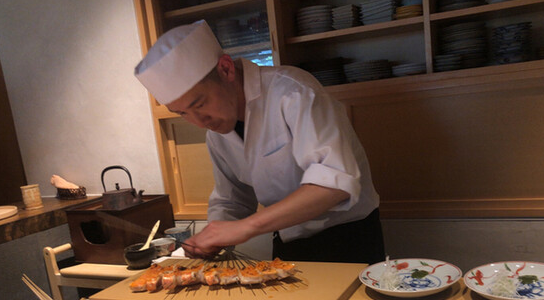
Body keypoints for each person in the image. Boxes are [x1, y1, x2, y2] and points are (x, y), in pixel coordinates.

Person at [135, 20, 384, 264]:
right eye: (182, 113)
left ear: (226, 69)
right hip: (287, 242)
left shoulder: (292, 91)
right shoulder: (217, 131)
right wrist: (212, 237)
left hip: (347, 237)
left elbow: (334, 182)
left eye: (199, 104)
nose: (199, 122)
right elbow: (232, 199)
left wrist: (246, 227)